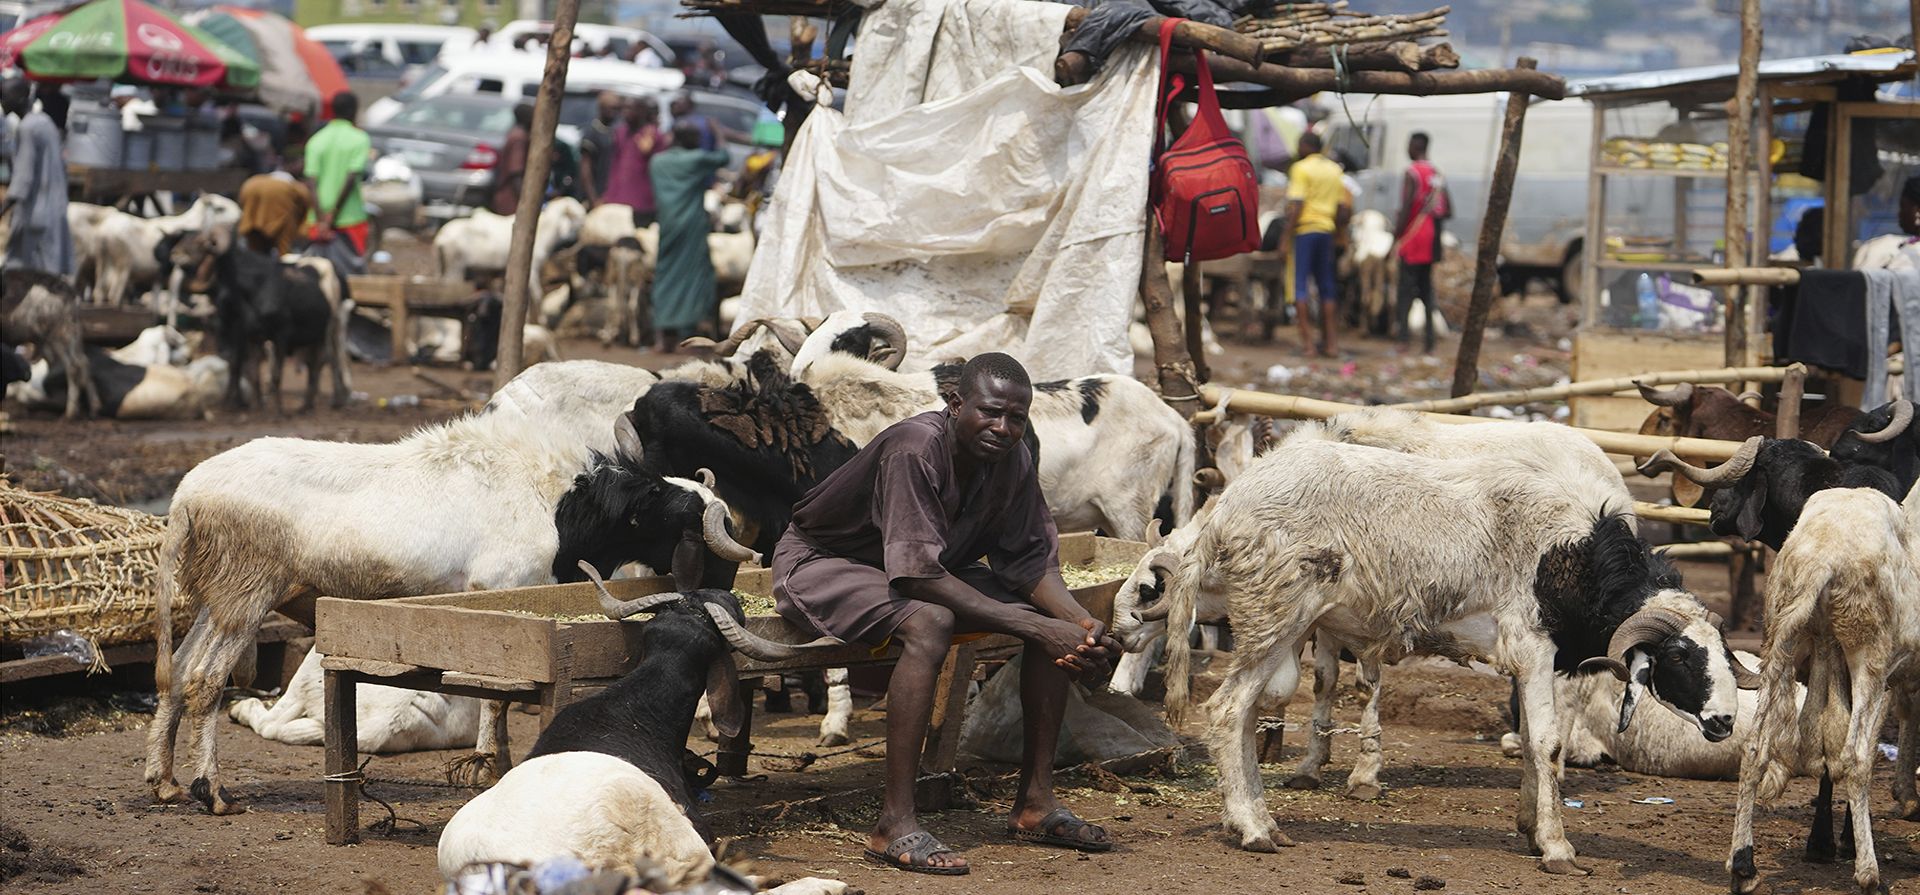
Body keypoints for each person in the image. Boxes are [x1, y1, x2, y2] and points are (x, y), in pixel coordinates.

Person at [772, 353, 1119, 875]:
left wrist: (1077, 625)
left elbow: (1029, 564)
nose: (1004, 428)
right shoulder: (916, 447)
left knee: (1056, 625)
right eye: (991, 412)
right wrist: (1035, 625)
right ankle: (894, 823)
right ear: (956, 403)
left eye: (1017, 417)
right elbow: (915, 578)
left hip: (920, 568)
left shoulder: (1014, 457)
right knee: (931, 620)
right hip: (826, 564)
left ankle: (1035, 804)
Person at [647, 123, 731, 350]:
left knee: (665, 273)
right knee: (694, 274)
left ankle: (663, 331)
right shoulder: (695, 159)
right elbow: (723, 157)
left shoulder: (658, 161)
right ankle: (688, 331)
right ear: (692, 140)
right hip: (692, 224)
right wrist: (718, 133)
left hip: (668, 223)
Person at [1278, 131, 1351, 358]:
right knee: (1327, 288)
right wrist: (1340, 233)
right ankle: (1331, 345)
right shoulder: (1334, 170)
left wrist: (1284, 238)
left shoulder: (1300, 168)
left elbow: (1297, 204)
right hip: (1326, 232)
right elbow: (1343, 209)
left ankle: (1308, 345)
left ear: (1305, 146)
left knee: (1299, 287)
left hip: (1305, 232)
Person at [1, 79, 74, 275]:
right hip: (52, 207)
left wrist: (4, 208)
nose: (3, 101)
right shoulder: (44, 121)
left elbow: (23, 180)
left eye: (6, 96)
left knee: (24, 272)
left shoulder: (27, 128)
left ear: (21, 98)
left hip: (36, 212)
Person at [1393, 131, 1451, 354]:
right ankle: (1429, 342)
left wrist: (1396, 235)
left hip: (1413, 238)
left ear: (1415, 146)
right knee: (1427, 291)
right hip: (1432, 239)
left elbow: (1407, 206)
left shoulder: (1411, 172)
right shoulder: (1436, 173)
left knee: (1405, 290)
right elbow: (1447, 210)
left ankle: (1403, 339)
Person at [303, 92, 372, 273]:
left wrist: (321, 219)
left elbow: (310, 181)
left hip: (317, 218)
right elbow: (351, 178)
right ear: (354, 111)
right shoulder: (359, 139)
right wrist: (332, 216)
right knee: (351, 274)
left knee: (317, 273)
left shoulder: (316, 140)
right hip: (349, 217)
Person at [603, 97, 665, 227]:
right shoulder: (620, 132)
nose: (626, 112)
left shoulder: (652, 135)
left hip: (642, 203)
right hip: (617, 200)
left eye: (630, 109)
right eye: (624, 109)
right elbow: (614, 164)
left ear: (641, 111)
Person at [238, 153, 312, 255]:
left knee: (255, 250)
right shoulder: (295, 187)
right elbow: (305, 206)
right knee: (284, 248)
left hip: (253, 222)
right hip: (281, 223)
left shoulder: (252, 182)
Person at [578, 92, 622, 207]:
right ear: (601, 108)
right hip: (596, 194)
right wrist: (593, 198)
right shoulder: (592, 132)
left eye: (617, 109)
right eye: (612, 108)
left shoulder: (618, 131)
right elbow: (585, 168)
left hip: (612, 195)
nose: (615, 112)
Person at [490, 103, 533, 215]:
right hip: (510, 197)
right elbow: (515, 172)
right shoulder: (520, 138)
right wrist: (524, 199)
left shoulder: (514, 133)